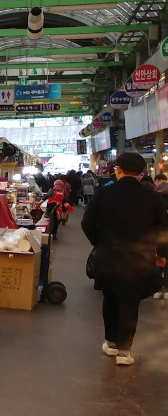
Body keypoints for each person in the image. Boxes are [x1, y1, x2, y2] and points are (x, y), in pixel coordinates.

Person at [81, 152, 168, 366]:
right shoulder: (153, 197)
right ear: (141, 173)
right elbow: (162, 229)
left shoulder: (104, 193)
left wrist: (99, 243)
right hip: (139, 258)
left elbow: (87, 223)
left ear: (118, 169)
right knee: (130, 302)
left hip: (108, 256)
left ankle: (111, 343)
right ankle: (124, 352)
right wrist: (161, 254)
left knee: (110, 298)